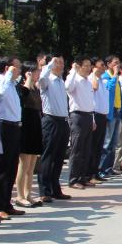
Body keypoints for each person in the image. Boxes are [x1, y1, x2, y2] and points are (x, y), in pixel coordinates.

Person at [0, 56, 23, 219]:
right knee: (2, 168)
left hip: (15, 126)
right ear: (7, 68)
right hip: (4, 126)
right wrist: (8, 75)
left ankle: (6, 202)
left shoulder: (13, 85)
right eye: (16, 67)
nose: (19, 70)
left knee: (12, 167)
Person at [37, 54, 71, 201]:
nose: (61, 65)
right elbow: (41, 80)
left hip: (63, 121)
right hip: (51, 120)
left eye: (62, 62)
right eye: (58, 62)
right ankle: (44, 191)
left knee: (59, 157)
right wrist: (49, 64)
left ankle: (55, 188)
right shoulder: (47, 80)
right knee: (48, 156)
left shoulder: (61, 81)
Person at [15, 62, 43, 207]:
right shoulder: (22, 87)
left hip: (35, 125)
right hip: (26, 126)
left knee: (31, 166)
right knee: (23, 164)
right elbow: (23, 98)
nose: (39, 74)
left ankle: (28, 194)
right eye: (37, 71)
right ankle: (19, 196)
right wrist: (28, 79)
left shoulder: (36, 88)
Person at [66, 56, 95, 190]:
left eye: (90, 66)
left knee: (86, 149)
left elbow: (90, 102)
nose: (89, 68)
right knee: (77, 149)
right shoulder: (74, 79)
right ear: (78, 66)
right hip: (77, 116)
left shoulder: (88, 82)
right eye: (86, 65)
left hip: (88, 116)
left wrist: (93, 119)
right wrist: (73, 71)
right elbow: (68, 88)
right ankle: (73, 179)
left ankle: (83, 177)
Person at [100, 56, 122, 176]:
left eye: (118, 63)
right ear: (108, 64)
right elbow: (109, 88)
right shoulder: (106, 76)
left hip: (117, 110)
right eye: (115, 63)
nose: (118, 65)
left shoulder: (116, 77)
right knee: (107, 142)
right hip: (110, 111)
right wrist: (114, 74)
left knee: (114, 142)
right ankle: (101, 169)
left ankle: (109, 168)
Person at [90, 57, 109, 182]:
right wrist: (94, 75)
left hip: (103, 115)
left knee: (99, 146)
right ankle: (90, 174)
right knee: (93, 146)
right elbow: (94, 89)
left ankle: (95, 172)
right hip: (95, 115)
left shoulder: (102, 80)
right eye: (101, 65)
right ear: (94, 67)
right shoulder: (91, 78)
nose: (104, 67)